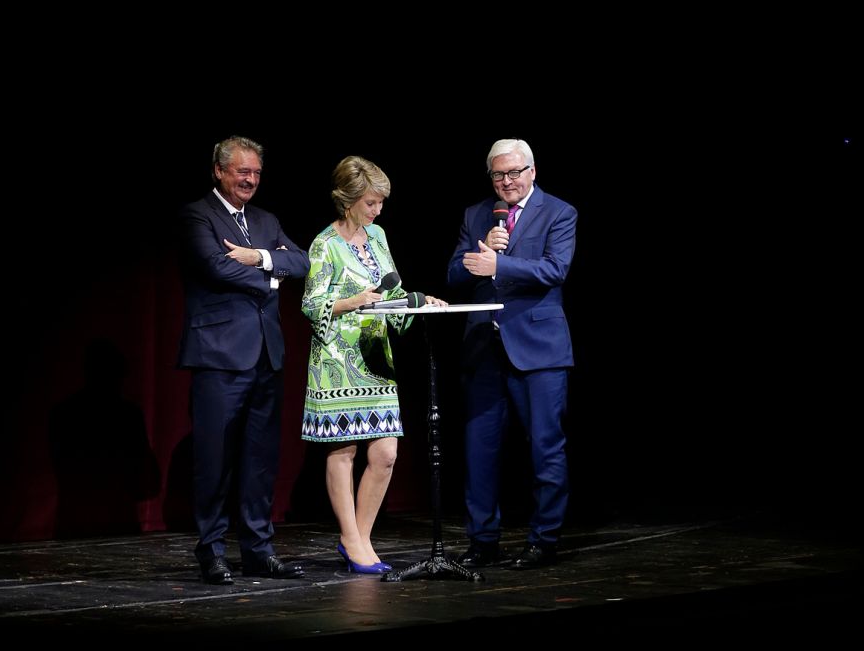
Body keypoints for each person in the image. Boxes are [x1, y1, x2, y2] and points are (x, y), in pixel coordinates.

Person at [301, 154, 446, 574]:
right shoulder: (324, 244)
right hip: (336, 361)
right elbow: (311, 305)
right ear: (347, 201)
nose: (377, 210)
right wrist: (353, 301)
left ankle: (360, 538)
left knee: (385, 453)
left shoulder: (378, 236)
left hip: (375, 360)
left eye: (380, 202)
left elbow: (393, 290)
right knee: (344, 449)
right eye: (370, 203)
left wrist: (419, 304)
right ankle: (352, 539)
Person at [176, 135, 311, 583]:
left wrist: (259, 257)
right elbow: (214, 265)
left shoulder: (266, 220)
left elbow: (303, 262)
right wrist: (270, 277)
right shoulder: (199, 214)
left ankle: (258, 549)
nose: (250, 180)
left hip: (266, 356)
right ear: (219, 171)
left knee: (260, 459)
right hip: (218, 355)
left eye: (255, 172)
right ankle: (211, 551)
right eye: (241, 172)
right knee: (213, 459)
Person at [446, 137, 576, 569]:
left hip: (539, 349)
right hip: (485, 349)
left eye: (514, 173)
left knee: (545, 447)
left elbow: (555, 269)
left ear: (532, 172)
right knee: (479, 449)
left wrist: (499, 264)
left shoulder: (559, 212)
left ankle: (544, 539)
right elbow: (453, 274)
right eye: (498, 174)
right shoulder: (477, 214)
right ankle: (482, 540)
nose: (506, 182)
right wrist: (477, 251)